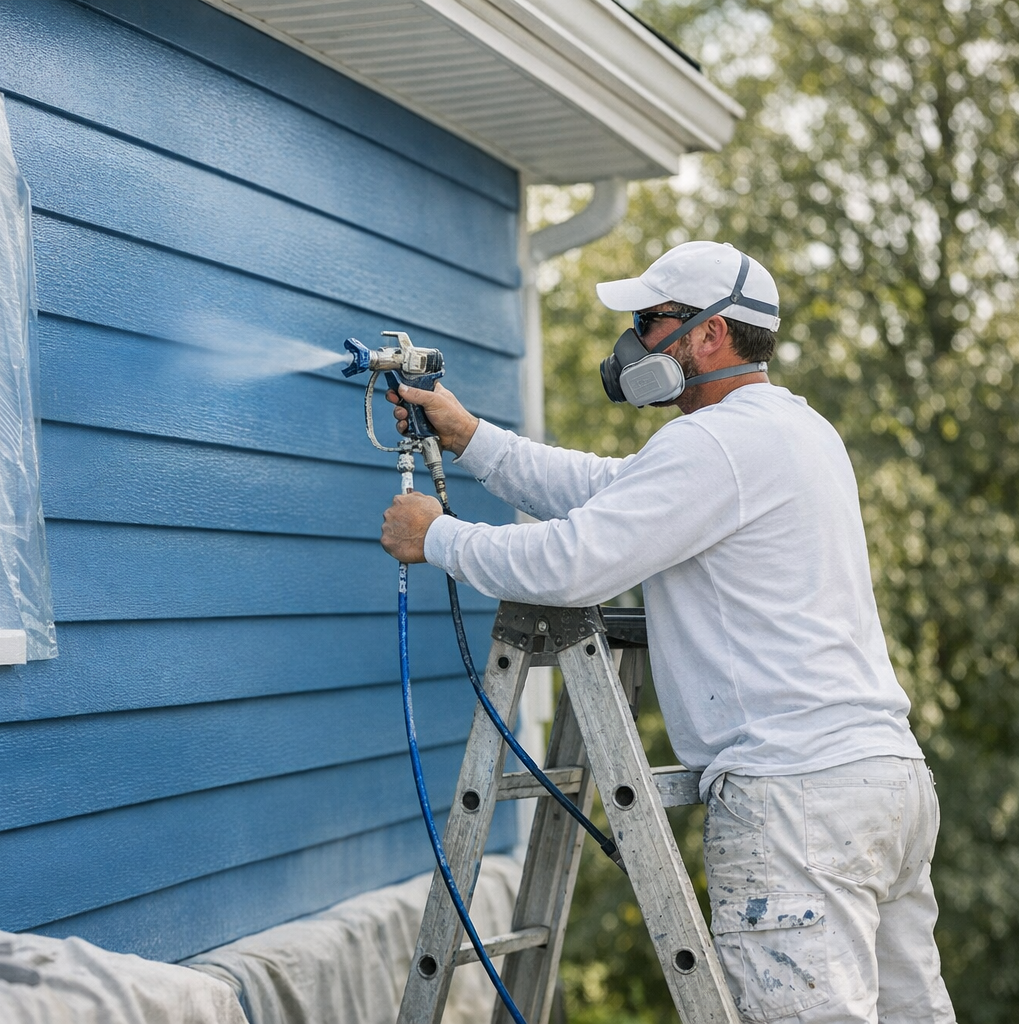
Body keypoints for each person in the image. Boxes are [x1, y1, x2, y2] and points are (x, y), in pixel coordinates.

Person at [378, 241, 955, 1024]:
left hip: (795, 803)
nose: (635, 344)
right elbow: (607, 490)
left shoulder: (712, 444)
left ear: (710, 335)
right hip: (883, 784)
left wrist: (438, 537)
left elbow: (573, 562)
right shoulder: (795, 430)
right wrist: (470, 436)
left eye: (652, 322)